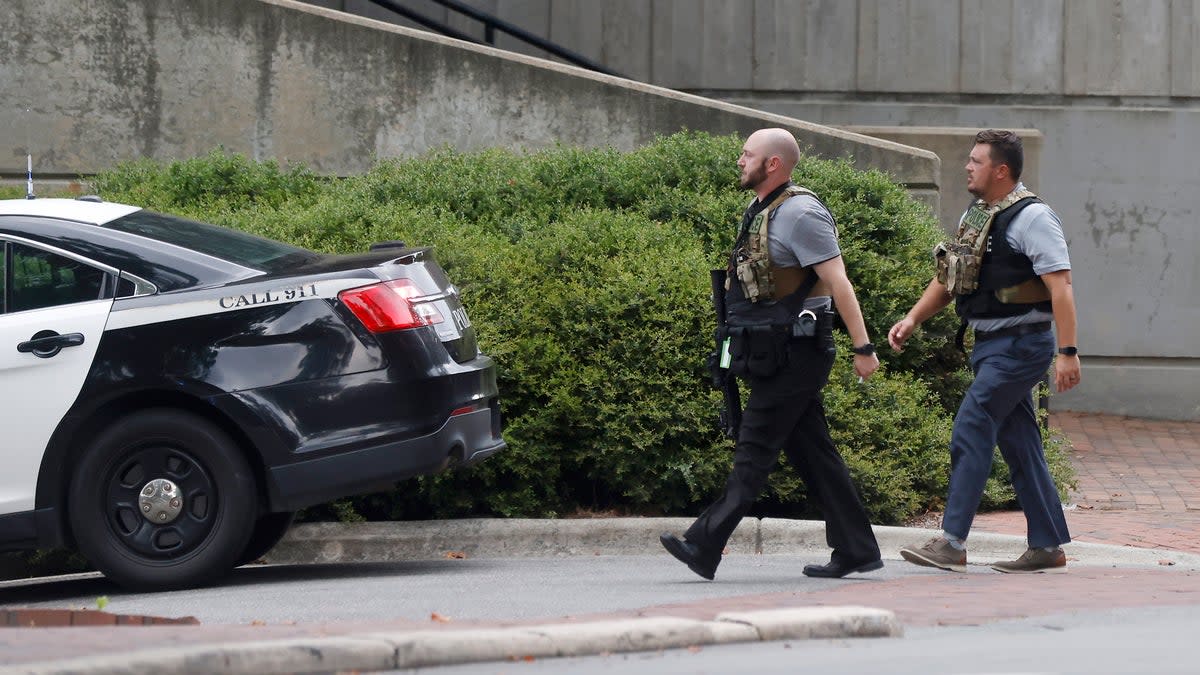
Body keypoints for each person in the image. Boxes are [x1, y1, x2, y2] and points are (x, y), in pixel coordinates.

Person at [659, 128, 883, 580]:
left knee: (755, 447)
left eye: (747, 154)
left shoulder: (801, 213)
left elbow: (838, 282)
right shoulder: (760, 209)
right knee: (815, 456)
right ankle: (857, 548)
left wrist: (864, 347)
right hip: (769, 349)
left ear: (773, 163)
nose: (740, 160)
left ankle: (705, 543)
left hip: (798, 351)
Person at [889, 129, 1080, 574]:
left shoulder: (1034, 218)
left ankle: (953, 542)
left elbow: (1062, 287)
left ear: (1001, 170)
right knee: (1020, 442)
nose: (967, 167)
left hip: (1022, 344)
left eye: (976, 161)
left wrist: (1067, 352)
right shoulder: (978, 214)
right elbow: (950, 276)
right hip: (990, 346)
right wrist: (914, 318)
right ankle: (1047, 546)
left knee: (972, 424)